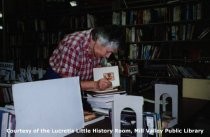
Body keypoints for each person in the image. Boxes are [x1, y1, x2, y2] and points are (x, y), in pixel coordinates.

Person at [44, 25, 122, 92]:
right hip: (58, 83)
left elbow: (96, 67)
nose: (108, 56)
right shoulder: (73, 46)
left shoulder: (99, 43)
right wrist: (95, 85)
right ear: (98, 41)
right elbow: (68, 84)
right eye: (107, 51)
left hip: (81, 83)